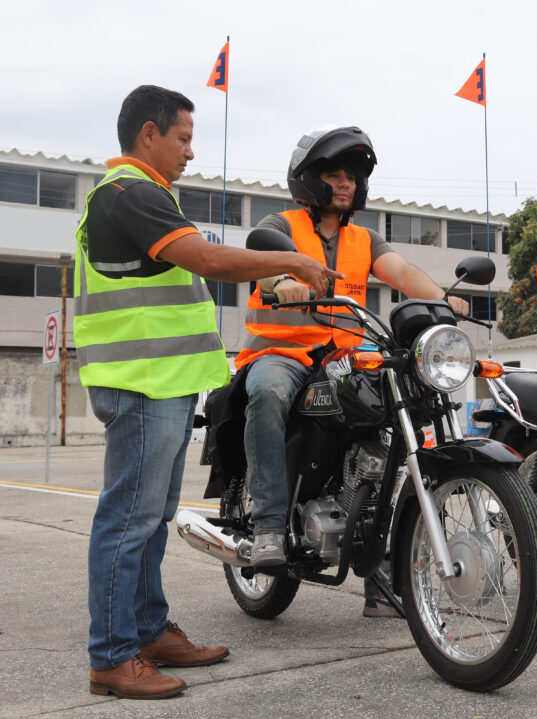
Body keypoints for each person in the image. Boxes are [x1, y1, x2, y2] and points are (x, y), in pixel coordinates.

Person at [76, 86, 343, 700]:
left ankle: (148, 631)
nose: (190, 152)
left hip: (161, 383)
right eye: (183, 138)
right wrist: (294, 263)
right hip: (141, 382)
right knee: (128, 521)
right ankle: (112, 657)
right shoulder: (130, 193)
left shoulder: (143, 196)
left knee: (152, 520)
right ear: (149, 134)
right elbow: (208, 260)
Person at [235, 126, 469, 613]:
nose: (345, 183)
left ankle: (377, 566)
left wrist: (440, 299)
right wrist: (284, 280)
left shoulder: (364, 239)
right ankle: (268, 525)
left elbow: (402, 272)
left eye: (351, 176)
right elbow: (262, 261)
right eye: (333, 175)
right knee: (268, 395)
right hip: (282, 353)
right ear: (308, 180)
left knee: (391, 422)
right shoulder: (281, 224)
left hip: (343, 358)